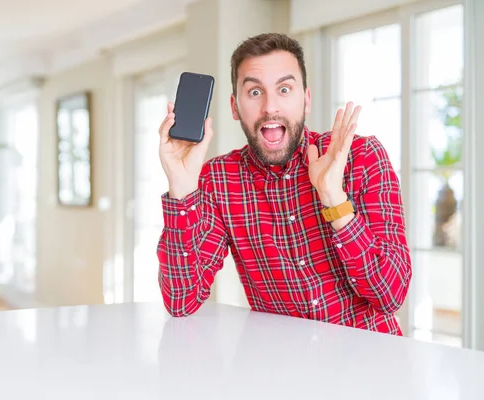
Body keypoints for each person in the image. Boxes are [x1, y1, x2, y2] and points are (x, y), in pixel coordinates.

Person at [156, 32, 412, 335]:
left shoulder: (362, 156)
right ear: (234, 107)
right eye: (254, 92)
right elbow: (180, 301)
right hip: (279, 370)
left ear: (306, 99)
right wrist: (181, 188)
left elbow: (391, 295)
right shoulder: (218, 181)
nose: (270, 107)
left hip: (371, 367)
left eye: (285, 89)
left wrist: (336, 203)